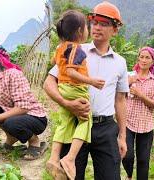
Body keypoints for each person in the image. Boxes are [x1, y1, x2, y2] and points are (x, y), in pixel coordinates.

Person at [44, 1, 129, 179]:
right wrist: (67, 103)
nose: (97, 27)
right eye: (94, 22)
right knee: (71, 176)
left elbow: (120, 100)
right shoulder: (75, 49)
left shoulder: (120, 62)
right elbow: (49, 83)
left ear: (115, 30)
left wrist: (122, 136)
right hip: (77, 122)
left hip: (105, 128)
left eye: (104, 24)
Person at [45, 10, 105, 180]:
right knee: (86, 120)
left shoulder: (61, 47)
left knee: (65, 122)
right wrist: (91, 81)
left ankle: (54, 158)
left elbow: (55, 62)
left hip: (63, 87)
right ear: (80, 31)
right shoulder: (77, 49)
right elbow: (71, 72)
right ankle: (70, 158)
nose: (89, 30)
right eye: (87, 26)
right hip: (74, 88)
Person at [122, 47, 154, 180]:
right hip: (127, 122)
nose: (143, 60)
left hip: (146, 125)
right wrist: (126, 84)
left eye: (147, 57)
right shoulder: (129, 76)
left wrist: (141, 95)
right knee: (127, 155)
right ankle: (129, 175)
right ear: (138, 58)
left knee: (143, 161)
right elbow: (118, 96)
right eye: (141, 57)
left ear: (152, 61)